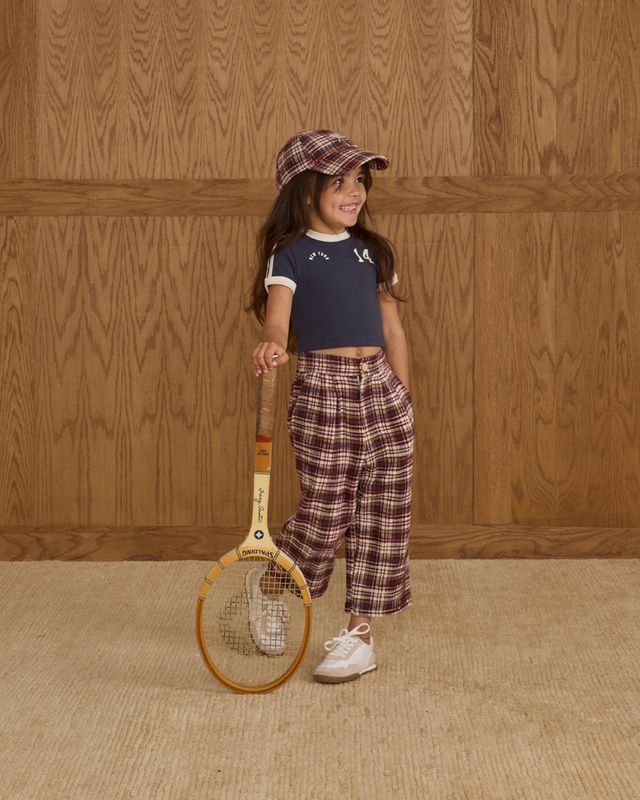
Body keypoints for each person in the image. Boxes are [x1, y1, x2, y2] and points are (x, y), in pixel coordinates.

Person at [247, 129, 414, 683]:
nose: (354, 191)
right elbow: (277, 319)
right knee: (325, 511)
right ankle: (272, 583)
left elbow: (393, 328)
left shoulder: (374, 251)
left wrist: (403, 397)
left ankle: (359, 636)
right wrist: (272, 343)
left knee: (382, 513)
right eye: (339, 182)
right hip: (324, 388)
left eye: (359, 180)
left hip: (382, 389)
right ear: (305, 190)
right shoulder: (291, 254)